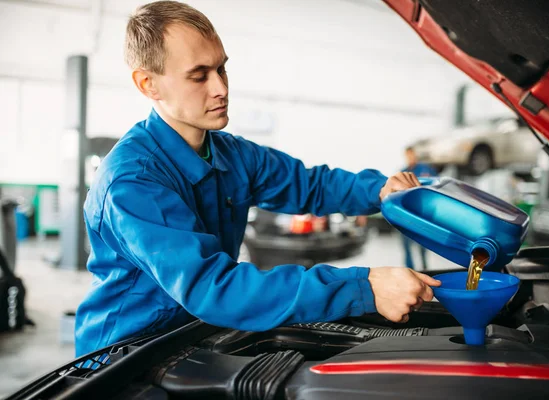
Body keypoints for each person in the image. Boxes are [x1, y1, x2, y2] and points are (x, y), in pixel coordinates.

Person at [74, 1, 441, 356]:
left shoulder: (232, 154)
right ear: (148, 84)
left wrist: (380, 189)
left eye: (222, 69)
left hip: (194, 332)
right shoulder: (133, 182)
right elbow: (215, 290)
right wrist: (365, 286)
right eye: (199, 75)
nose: (220, 88)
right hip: (126, 354)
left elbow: (309, 184)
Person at [400, 147, 437, 270]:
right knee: (406, 245)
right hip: (406, 215)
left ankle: (425, 269)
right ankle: (410, 269)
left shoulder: (426, 169)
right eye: (408, 155)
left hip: (422, 214)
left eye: (412, 155)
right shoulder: (402, 173)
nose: (410, 158)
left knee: (423, 243)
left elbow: (436, 185)